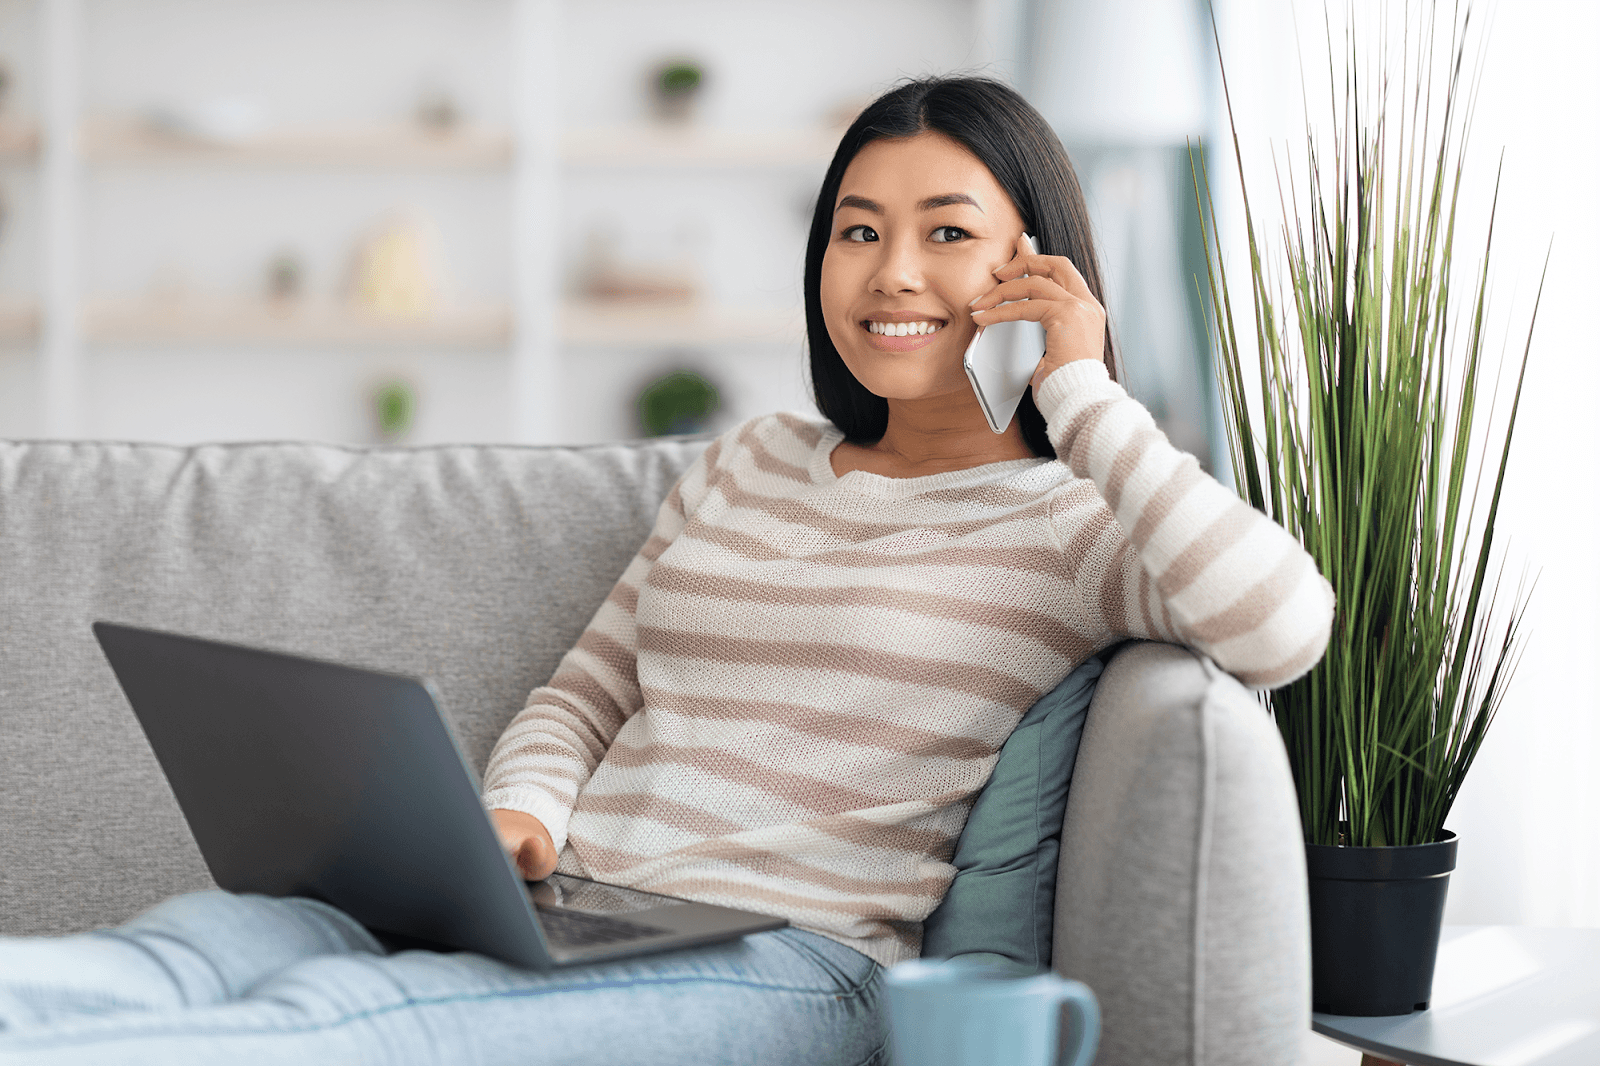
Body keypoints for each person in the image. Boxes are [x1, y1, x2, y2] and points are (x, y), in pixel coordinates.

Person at [0, 76, 1332, 1066]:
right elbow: (585, 694)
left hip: (790, 960)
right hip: (571, 909)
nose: (890, 273)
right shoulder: (750, 457)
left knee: (334, 1028)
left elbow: (1282, 624)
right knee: (193, 946)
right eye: (858, 231)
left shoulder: (1074, 521)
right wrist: (516, 820)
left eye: (945, 232)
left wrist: (1083, 387)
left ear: (1031, 264)